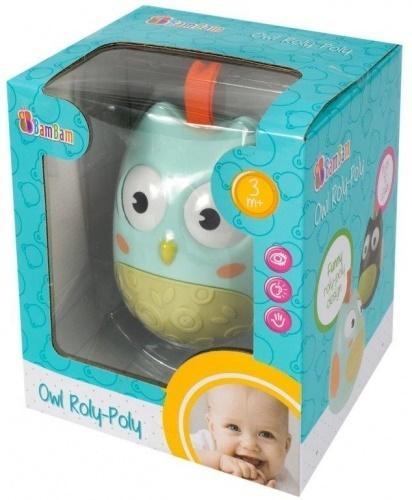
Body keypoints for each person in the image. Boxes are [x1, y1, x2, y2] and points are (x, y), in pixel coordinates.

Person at [191, 384, 296, 491]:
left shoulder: (286, 486)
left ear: (285, 446)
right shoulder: (203, 444)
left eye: (265, 434)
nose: (249, 444)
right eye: (234, 428)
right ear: (213, 428)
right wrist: (219, 462)